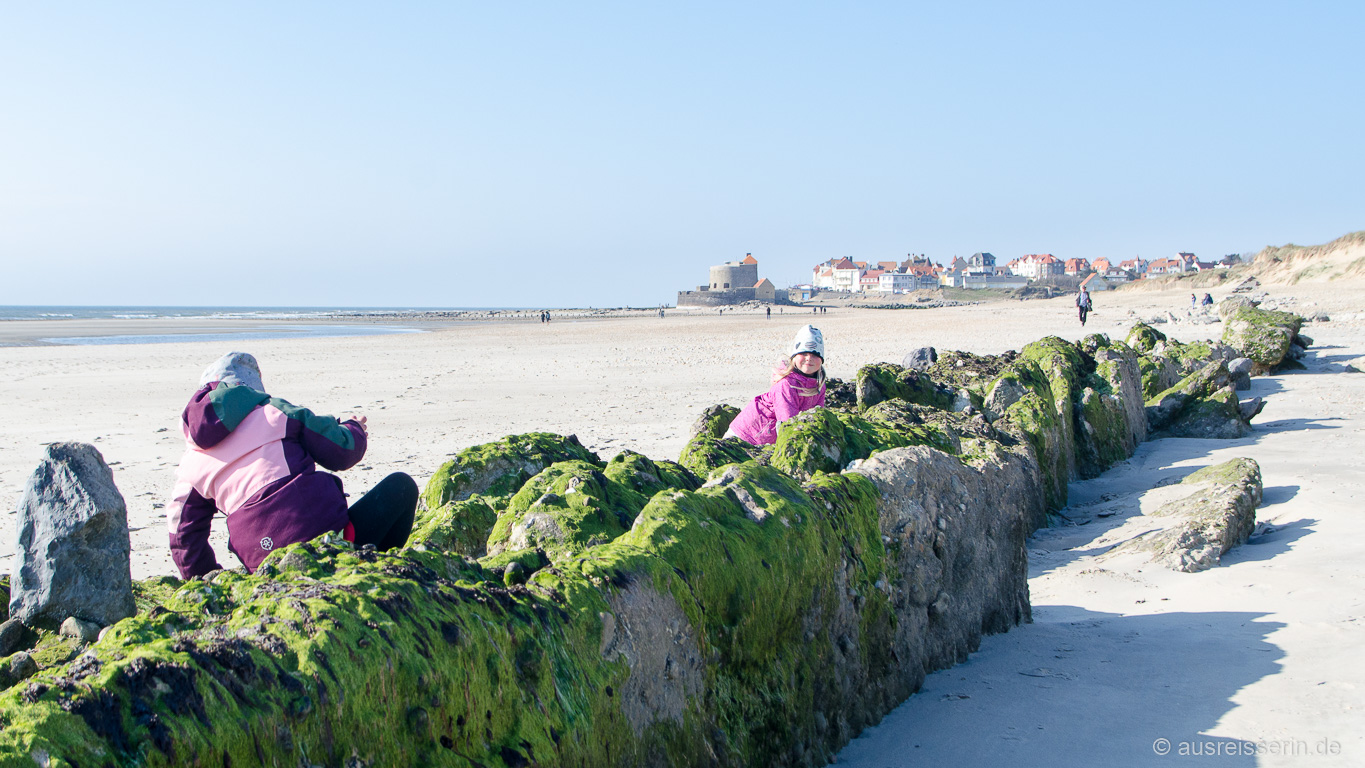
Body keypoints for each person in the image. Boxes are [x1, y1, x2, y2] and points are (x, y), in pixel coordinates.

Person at [168, 352, 417, 578]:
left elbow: (184, 538)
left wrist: (212, 579)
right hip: (325, 541)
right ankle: (379, 573)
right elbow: (342, 451)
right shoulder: (275, 412)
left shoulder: (190, 465)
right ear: (249, 390)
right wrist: (355, 428)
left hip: (263, 563)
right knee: (402, 486)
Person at [725, 325, 827, 445]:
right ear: (794, 356)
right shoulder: (786, 385)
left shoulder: (819, 384)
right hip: (744, 436)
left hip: (766, 440)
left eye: (815, 355)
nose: (809, 358)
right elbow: (787, 423)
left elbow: (817, 414)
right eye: (804, 353)